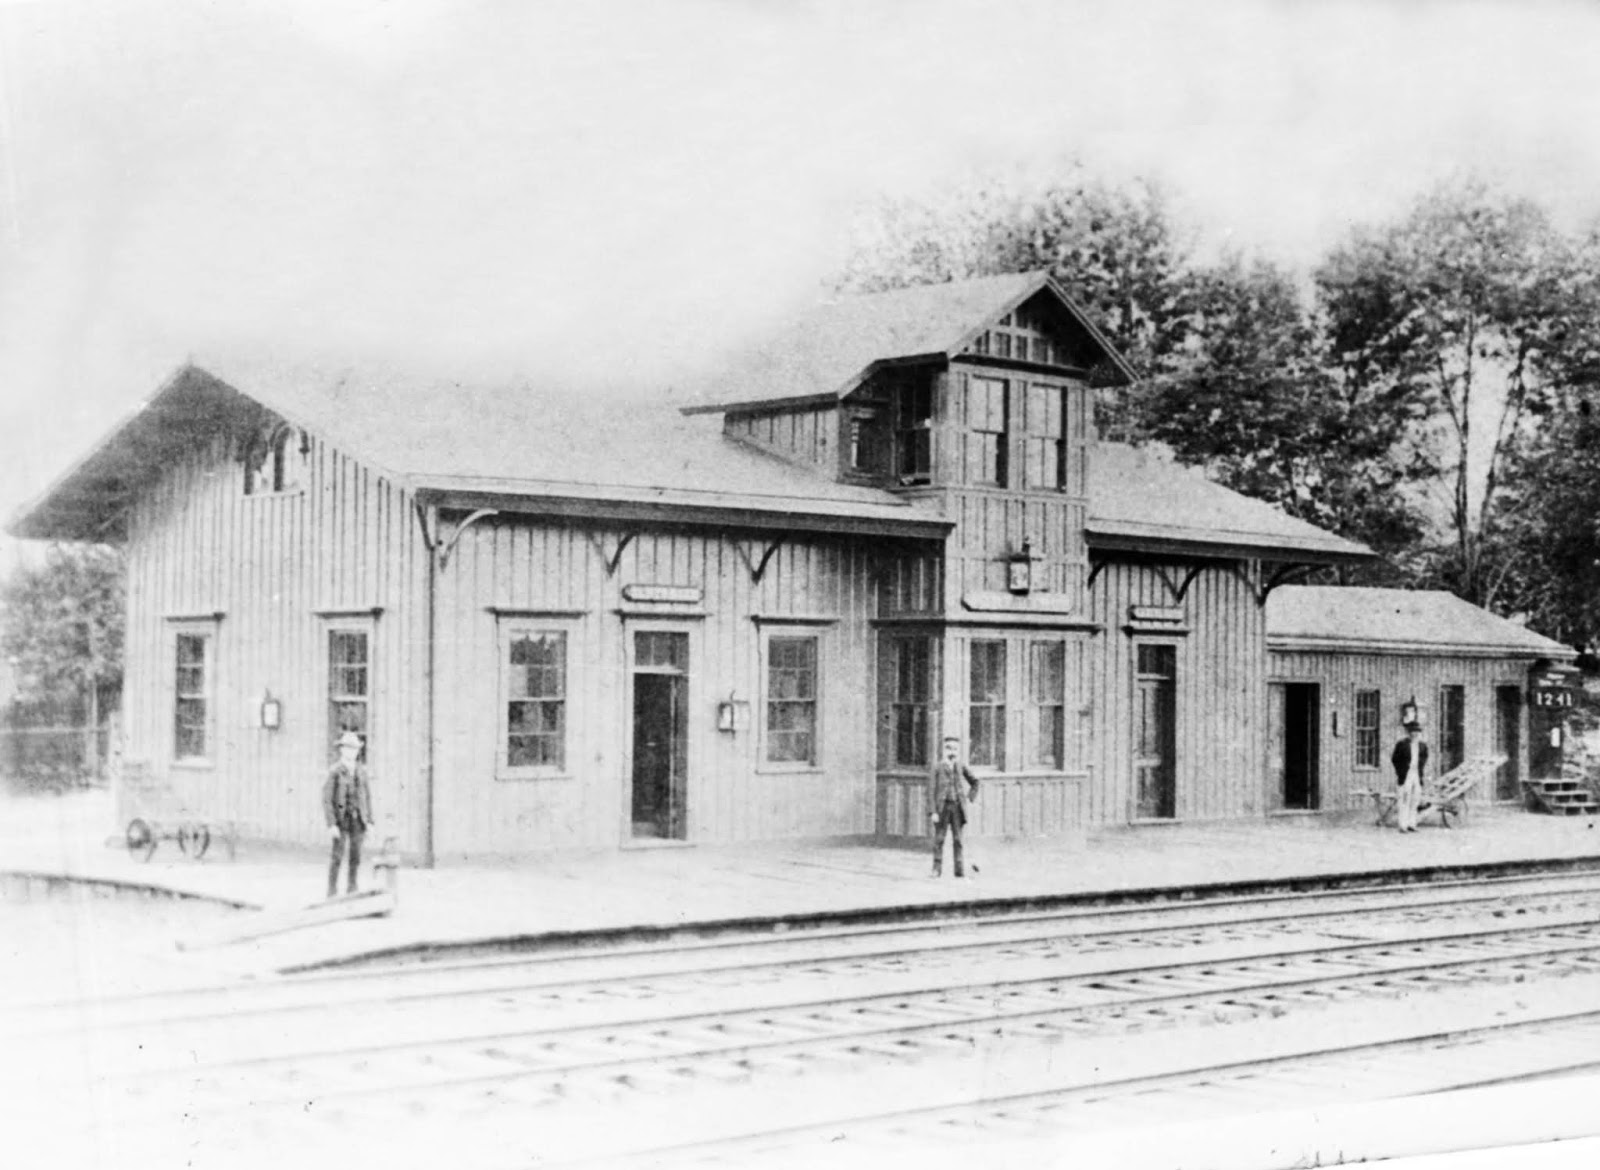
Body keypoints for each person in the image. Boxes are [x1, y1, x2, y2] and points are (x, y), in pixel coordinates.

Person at [323, 730, 373, 897]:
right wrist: (331, 824)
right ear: (342, 750)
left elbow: (367, 797)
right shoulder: (335, 771)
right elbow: (327, 800)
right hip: (341, 820)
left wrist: (370, 821)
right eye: (348, 748)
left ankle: (352, 887)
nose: (351, 752)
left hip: (358, 819)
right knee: (337, 856)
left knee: (355, 855)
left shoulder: (362, 771)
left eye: (354, 749)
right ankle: (332, 891)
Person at [928, 735, 980, 877]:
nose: (952, 751)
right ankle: (936, 869)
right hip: (942, 808)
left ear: (958, 751)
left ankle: (959, 870)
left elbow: (975, 781)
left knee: (958, 839)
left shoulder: (960, 766)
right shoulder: (937, 767)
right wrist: (933, 811)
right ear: (944, 750)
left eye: (955, 749)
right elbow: (931, 790)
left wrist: (970, 798)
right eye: (949, 748)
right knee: (939, 839)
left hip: (957, 808)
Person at [1390, 719, 1428, 834]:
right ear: (1408, 732)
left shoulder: (1422, 746)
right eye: (1412, 731)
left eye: (1417, 731)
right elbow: (1395, 759)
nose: (1415, 734)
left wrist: (1419, 769)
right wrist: (1400, 772)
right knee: (1404, 799)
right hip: (1405, 775)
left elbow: (1424, 758)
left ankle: (1412, 824)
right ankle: (1403, 825)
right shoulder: (1402, 745)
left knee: (1415, 800)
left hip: (1416, 775)